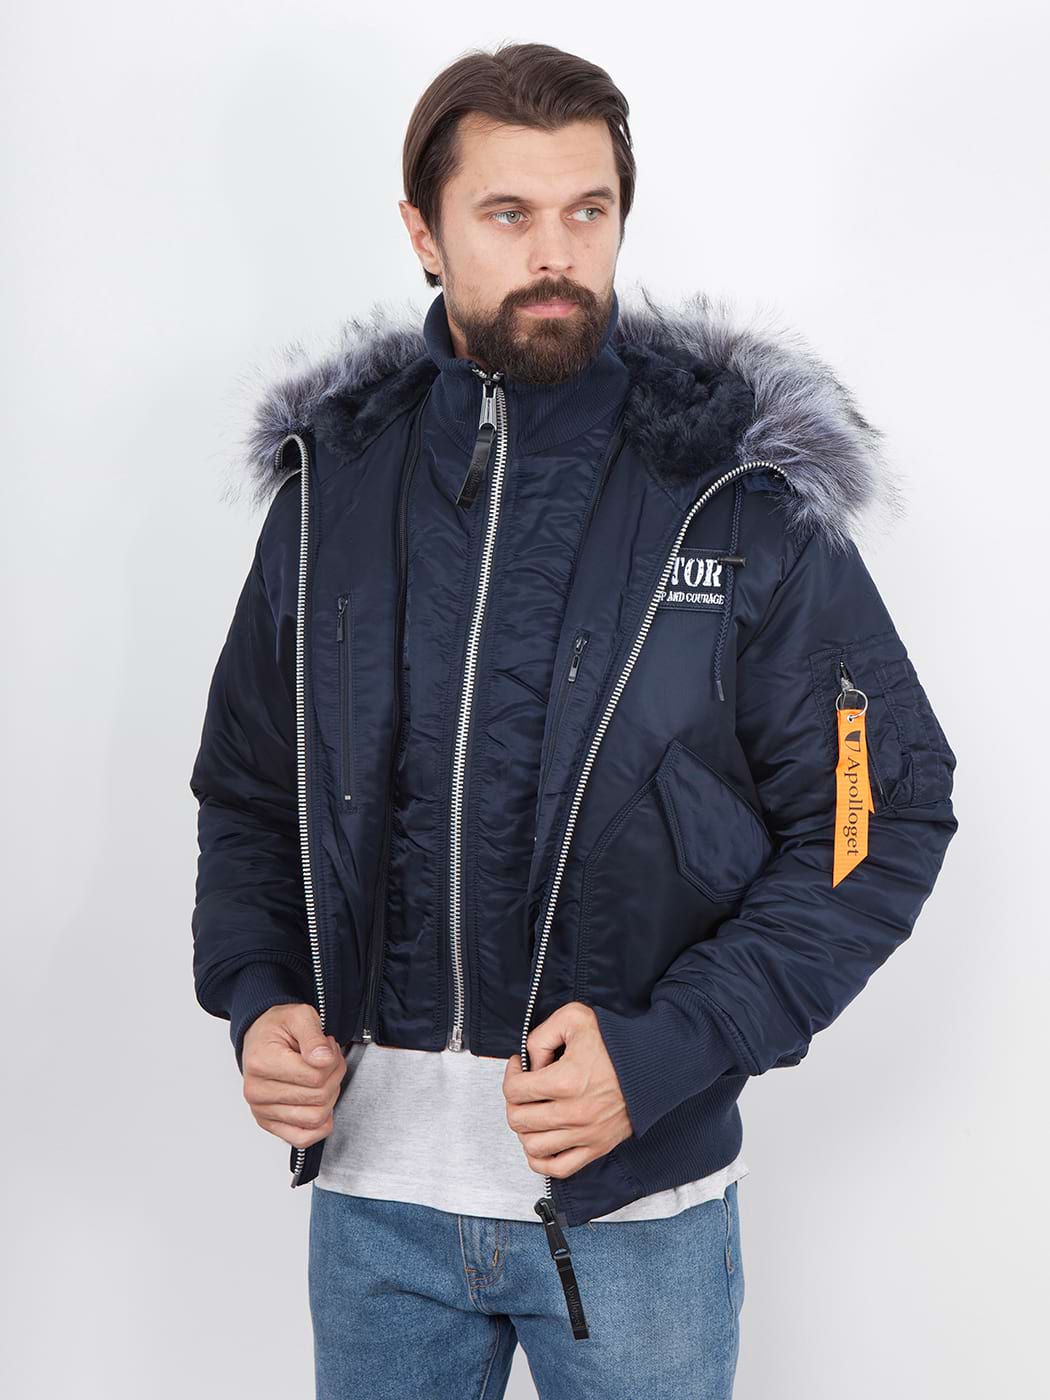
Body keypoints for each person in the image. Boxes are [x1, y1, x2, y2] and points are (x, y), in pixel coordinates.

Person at [188, 40, 958, 1399]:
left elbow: (874, 816)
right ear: (423, 232)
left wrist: (669, 1049)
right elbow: (252, 791)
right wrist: (258, 999)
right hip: (371, 1211)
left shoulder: (733, 497)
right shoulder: (331, 491)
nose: (556, 254)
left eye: (586, 210)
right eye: (507, 214)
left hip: (632, 1214)